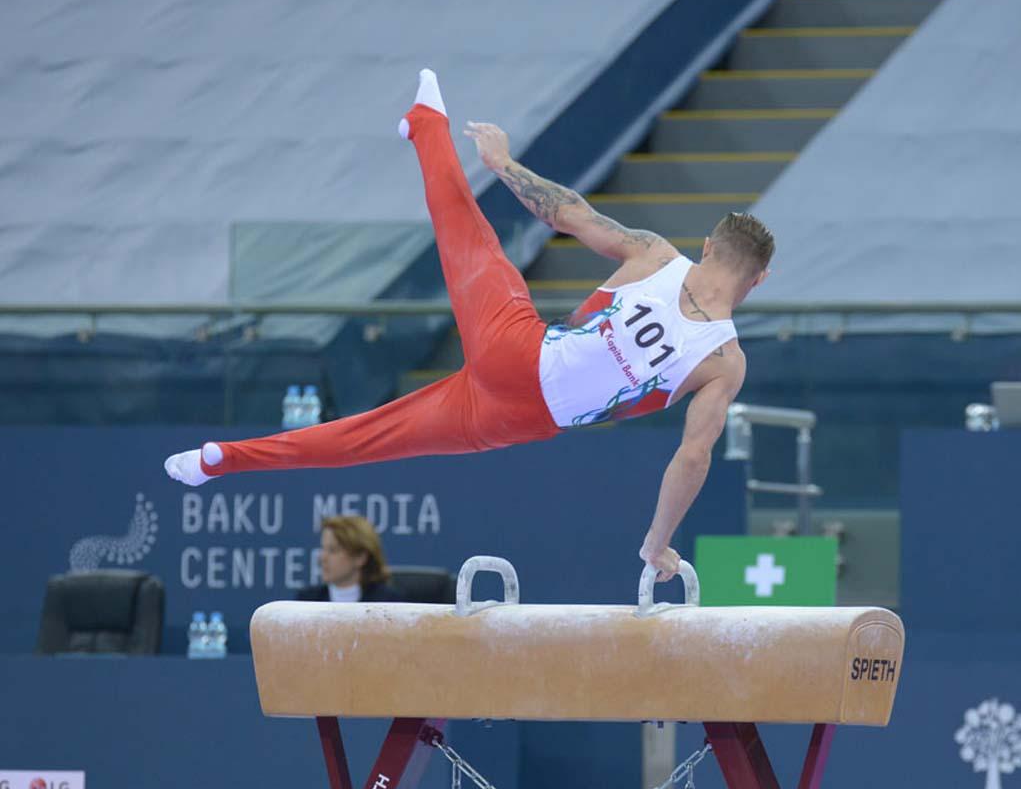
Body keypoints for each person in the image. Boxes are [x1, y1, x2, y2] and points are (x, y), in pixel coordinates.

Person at [165, 69, 774, 582]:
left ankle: (427, 126)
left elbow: (572, 216)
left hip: (514, 353)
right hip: (523, 419)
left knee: (470, 240)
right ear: (759, 281)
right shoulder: (723, 362)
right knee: (364, 441)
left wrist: (504, 163)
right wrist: (653, 545)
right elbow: (692, 459)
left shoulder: (658, 256)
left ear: (708, 245)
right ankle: (222, 461)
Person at [296, 515, 395, 603]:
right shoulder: (307, 602)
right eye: (323, 548)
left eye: (332, 550)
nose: (322, 558)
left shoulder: (388, 603)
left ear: (360, 557)